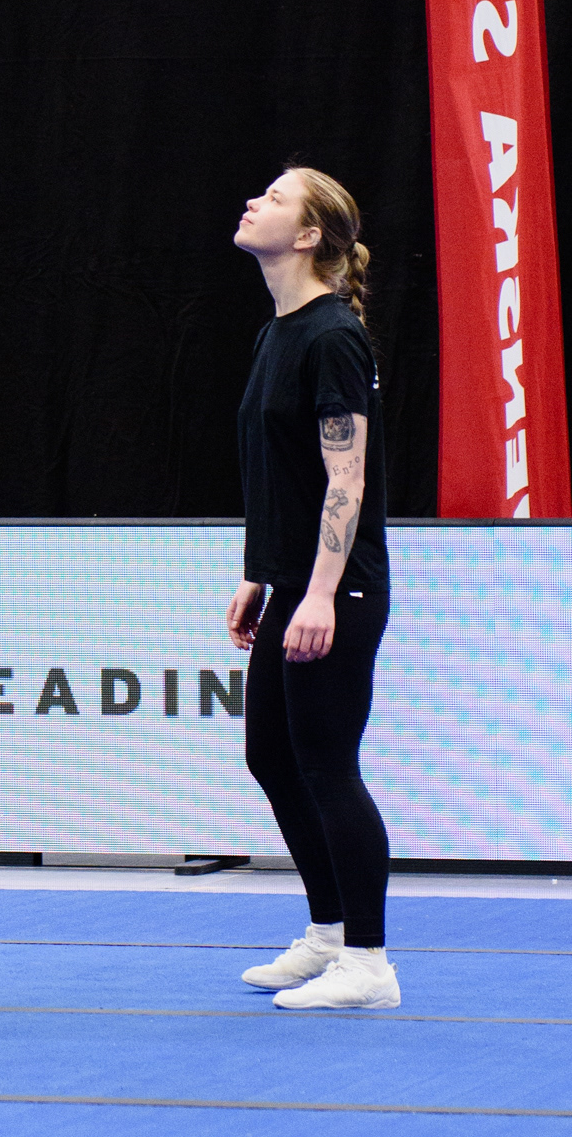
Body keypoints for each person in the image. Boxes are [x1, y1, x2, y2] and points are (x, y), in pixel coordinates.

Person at [227, 167, 398, 1012]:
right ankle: (327, 933)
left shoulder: (332, 335)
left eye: (274, 197)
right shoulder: (277, 332)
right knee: (270, 755)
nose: (252, 201)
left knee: (328, 764)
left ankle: (368, 961)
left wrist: (321, 594)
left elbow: (345, 477)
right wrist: (258, 575)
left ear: (306, 236)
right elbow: (282, 472)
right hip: (291, 581)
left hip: (338, 590)